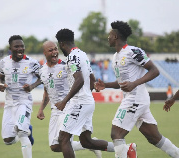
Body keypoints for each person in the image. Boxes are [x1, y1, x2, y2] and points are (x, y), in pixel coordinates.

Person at [94, 21, 179, 158]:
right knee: (154, 138)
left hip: (135, 98)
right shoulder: (115, 57)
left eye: (110, 34)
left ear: (115, 36)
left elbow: (154, 70)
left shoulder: (133, 51)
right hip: (134, 98)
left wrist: (134, 83)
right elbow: (123, 83)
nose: (108, 37)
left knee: (116, 134)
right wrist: (106, 85)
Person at [55, 28, 136, 158]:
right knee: (86, 141)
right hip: (87, 101)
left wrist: (65, 101)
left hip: (79, 102)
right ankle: (127, 150)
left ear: (62, 44)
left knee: (63, 138)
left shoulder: (72, 57)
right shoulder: (82, 54)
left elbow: (80, 79)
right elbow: (91, 78)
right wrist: (91, 90)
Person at [37, 40, 103, 157]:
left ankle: (91, 144)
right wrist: (41, 109)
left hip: (68, 107)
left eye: (55, 49)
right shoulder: (42, 71)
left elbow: (81, 79)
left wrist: (89, 89)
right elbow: (47, 91)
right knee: (54, 146)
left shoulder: (66, 65)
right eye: (50, 50)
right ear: (44, 53)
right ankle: (89, 145)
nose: (54, 52)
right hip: (55, 110)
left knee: (64, 141)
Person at [0, 35, 41, 158]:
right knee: (8, 140)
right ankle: (28, 130)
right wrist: (1, 85)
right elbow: (0, 78)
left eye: (22, 46)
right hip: (9, 104)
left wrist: (32, 86)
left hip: (24, 102)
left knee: (21, 132)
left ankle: (24, 130)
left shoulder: (32, 63)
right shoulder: (3, 62)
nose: (20, 48)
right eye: (16, 46)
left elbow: (42, 78)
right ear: (10, 48)